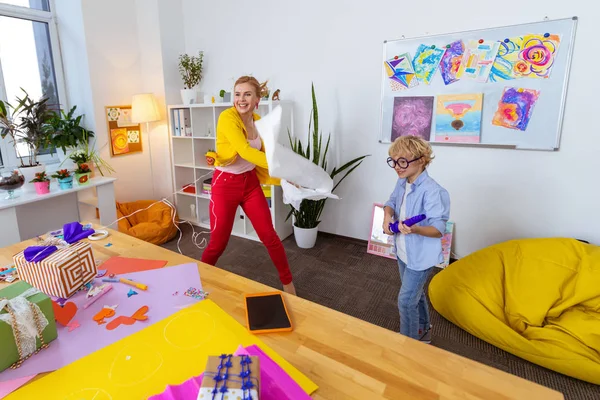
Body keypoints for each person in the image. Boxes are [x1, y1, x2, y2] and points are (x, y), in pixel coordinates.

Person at [201, 76, 296, 295]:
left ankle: (288, 285)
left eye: (247, 94)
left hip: (250, 184)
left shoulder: (257, 120)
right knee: (218, 243)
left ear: (256, 99)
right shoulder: (227, 118)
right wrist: (282, 169)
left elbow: (265, 153)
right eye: (237, 94)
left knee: (269, 236)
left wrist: (285, 175)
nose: (241, 99)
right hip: (225, 185)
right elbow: (245, 151)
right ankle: (197, 282)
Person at [383, 135, 450, 342]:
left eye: (402, 161)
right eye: (393, 161)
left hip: (420, 256)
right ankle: (423, 333)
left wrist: (416, 230)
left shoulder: (433, 191)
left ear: (421, 160)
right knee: (415, 294)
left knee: (405, 301)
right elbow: (392, 201)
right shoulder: (402, 182)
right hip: (404, 251)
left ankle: (409, 344)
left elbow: (438, 229)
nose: (397, 166)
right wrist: (387, 215)